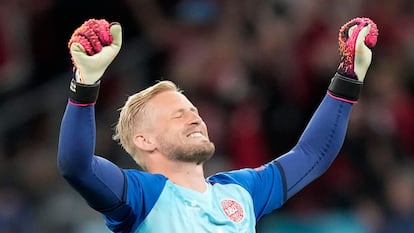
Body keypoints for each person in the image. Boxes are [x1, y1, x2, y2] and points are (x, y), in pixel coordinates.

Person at [57, 17, 378, 233]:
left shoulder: (240, 191)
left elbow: (311, 155)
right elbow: (77, 165)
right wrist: (85, 85)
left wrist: (348, 77)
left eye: (193, 110)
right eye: (177, 114)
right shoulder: (142, 196)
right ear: (145, 140)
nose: (195, 117)